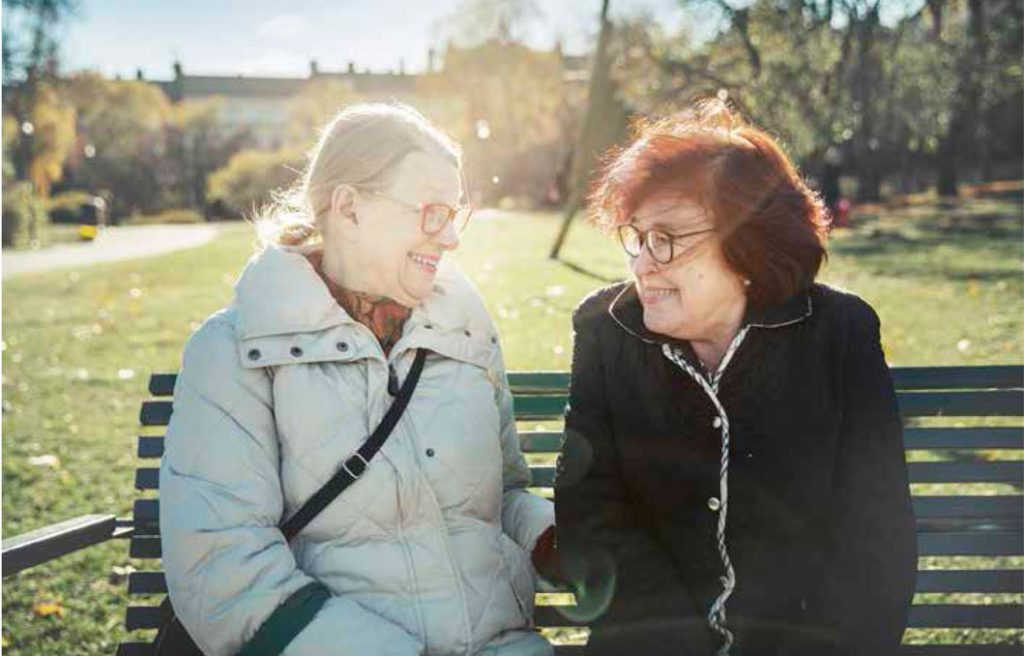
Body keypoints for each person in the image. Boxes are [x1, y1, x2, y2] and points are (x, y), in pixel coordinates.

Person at [160, 103, 555, 656]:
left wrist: (552, 538)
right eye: (431, 212)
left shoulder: (466, 327)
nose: (451, 240)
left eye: (455, 214)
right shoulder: (234, 351)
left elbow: (503, 496)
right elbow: (224, 568)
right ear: (348, 208)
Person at [554, 100, 916, 656]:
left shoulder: (839, 335)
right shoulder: (607, 331)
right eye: (639, 236)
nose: (643, 264)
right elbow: (590, 516)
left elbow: (876, 537)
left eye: (667, 238)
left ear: (750, 245)